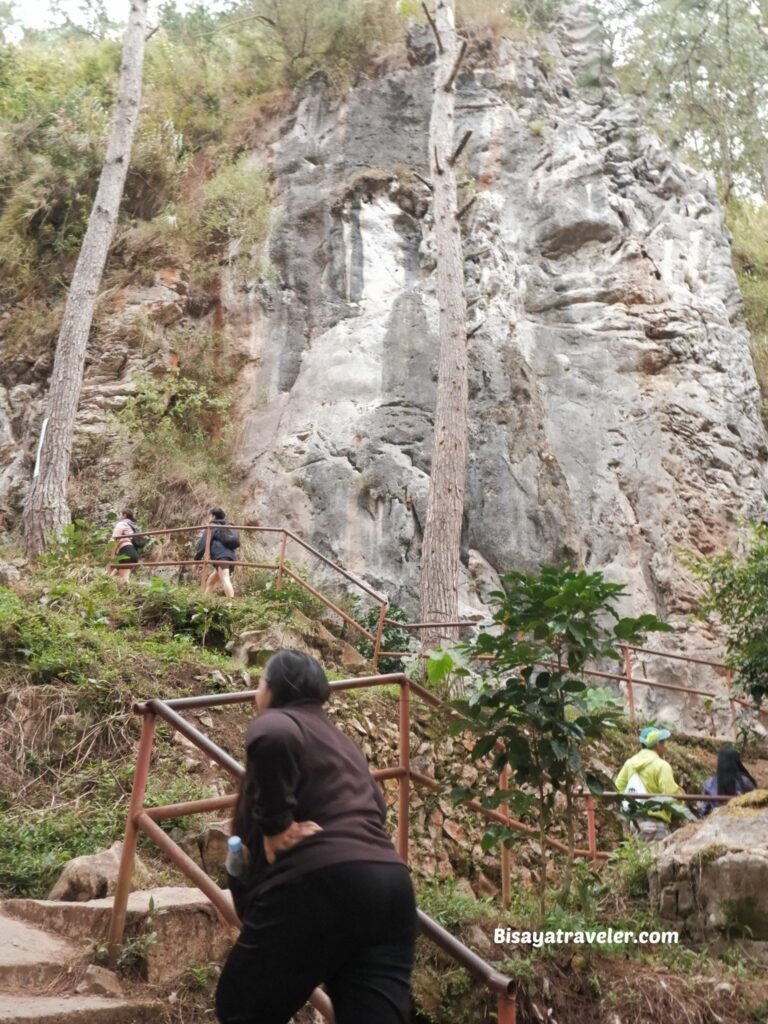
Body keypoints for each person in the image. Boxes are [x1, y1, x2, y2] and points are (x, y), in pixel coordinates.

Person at [215, 650, 416, 1024]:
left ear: (272, 691)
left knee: (241, 1007)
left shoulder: (281, 721)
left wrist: (276, 826)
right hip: (390, 888)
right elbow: (376, 806)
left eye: (259, 682)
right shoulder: (342, 744)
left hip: (320, 884)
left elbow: (272, 734)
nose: (255, 691)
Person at [615, 726, 681, 841]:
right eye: (663, 742)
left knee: (639, 857)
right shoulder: (661, 766)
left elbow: (618, 787)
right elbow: (671, 795)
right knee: (657, 858)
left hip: (635, 823)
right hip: (656, 824)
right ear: (657, 745)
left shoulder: (629, 764)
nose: (664, 746)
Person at [194, 506, 239, 598]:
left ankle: (231, 604)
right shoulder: (227, 527)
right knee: (211, 581)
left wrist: (196, 561)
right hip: (231, 557)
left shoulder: (212, 527)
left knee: (225, 578)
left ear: (213, 516)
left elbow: (203, 544)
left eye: (210, 515)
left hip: (221, 557)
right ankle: (204, 600)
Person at [699, 747, 757, 816]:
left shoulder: (709, 783)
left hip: (716, 820)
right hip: (740, 818)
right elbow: (755, 802)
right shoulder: (745, 781)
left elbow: (704, 809)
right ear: (737, 762)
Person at [108, 508, 141, 584]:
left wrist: (112, 557)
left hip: (126, 553)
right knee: (115, 576)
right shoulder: (133, 526)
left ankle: (126, 592)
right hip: (133, 553)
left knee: (123, 580)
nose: (118, 516)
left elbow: (115, 539)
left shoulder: (122, 524)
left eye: (119, 514)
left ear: (124, 515)